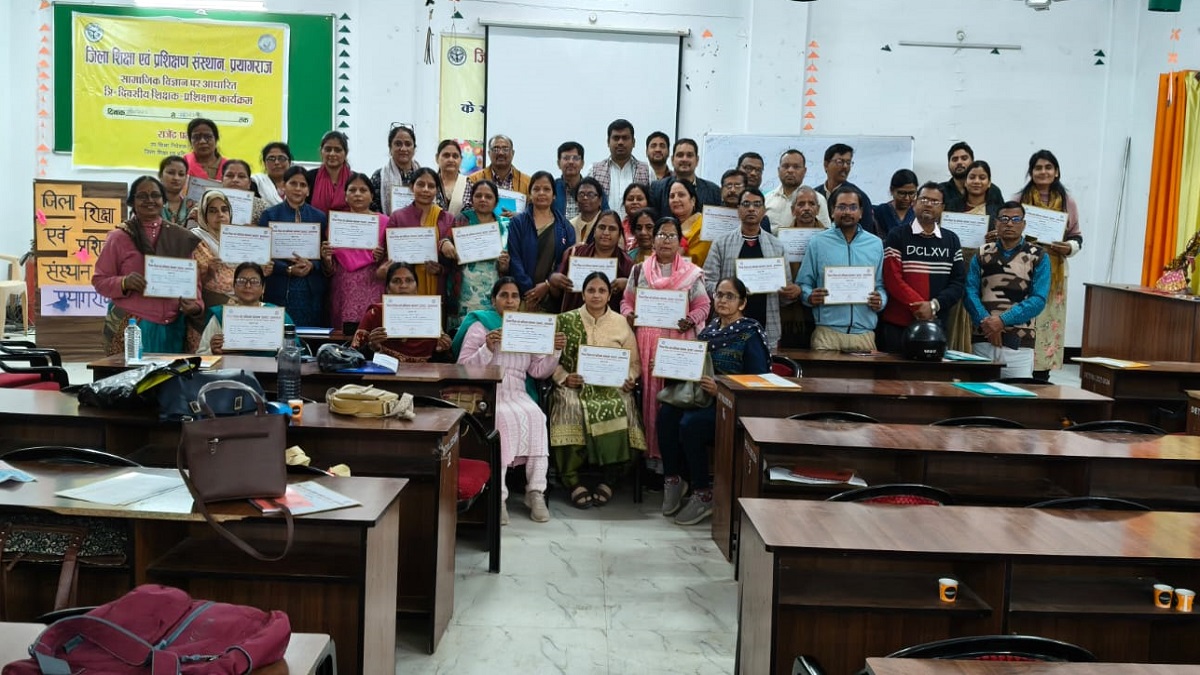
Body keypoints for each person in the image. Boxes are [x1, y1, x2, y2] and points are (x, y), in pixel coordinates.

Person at [658, 276, 769, 526]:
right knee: (666, 413)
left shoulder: (749, 333)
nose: (722, 300)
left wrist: (720, 390)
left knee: (690, 424)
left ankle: (703, 492)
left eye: (729, 296)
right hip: (702, 398)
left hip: (733, 405)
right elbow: (692, 366)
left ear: (742, 303)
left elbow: (758, 382)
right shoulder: (708, 332)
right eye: (719, 295)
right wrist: (669, 366)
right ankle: (674, 479)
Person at [454, 277, 565, 524]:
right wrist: (487, 348)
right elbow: (462, 368)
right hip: (488, 391)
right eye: (504, 295)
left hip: (518, 391)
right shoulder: (481, 327)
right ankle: (499, 496)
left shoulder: (528, 326)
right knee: (501, 420)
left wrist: (554, 350)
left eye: (515, 296)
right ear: (494, 300)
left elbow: (538, 371)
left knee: (537, 417)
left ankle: (535, 491)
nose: (510, 300)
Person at [621, 216, 711, 466]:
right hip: (646, 342)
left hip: (678, 342)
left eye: (672, 235)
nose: (666, 240)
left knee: (674, 398)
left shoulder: (691, 273)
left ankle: (675, 462)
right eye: (662, 234)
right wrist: (629, 315)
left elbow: (704, 305)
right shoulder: (639, 270)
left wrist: (691, 319)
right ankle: (650, 461)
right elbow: (626, 301)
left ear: (680, 241)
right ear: (654, 239)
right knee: (648, 399)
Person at [550, 271, 644, 509]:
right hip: (575, 385)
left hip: (613, 386)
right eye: (591, 290)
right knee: (569, 406)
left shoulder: (621, 323)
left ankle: (611, 479)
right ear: (582, 294)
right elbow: (547, 359)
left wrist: (630, 378)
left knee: (623, 405)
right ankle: (571, 480)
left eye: (602, 290)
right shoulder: (564, 320)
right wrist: (563, 377)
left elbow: (634, 363)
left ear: (609, 294)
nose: (596, 295)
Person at [93, 176, 203, 355]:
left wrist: (195, 305)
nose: (150, 200)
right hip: (132, 325)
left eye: (155, 195)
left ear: (163, 200)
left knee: (170, 382)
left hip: (173, 328)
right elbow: (100, 280)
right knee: (131, 380)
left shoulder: (180, 237)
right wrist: (124, 283)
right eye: (142, 196)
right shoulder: (119, 237)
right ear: (132, 201)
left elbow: (194, 283)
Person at [702, 188, 800, 351]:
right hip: (727, 328)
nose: (751, 209)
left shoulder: (777, 246)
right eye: (746, 204)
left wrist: (791, 292)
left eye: (757, 205)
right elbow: (706, 284)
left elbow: (784, 297)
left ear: (764, 211)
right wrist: (730, 292)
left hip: (766, 328)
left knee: (763, 373)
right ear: (738, 210)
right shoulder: (721, 243)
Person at [1015, 149, 1083, 377]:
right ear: (1031, 172)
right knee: (1022, 319)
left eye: (1048, 167)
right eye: (1038, 168)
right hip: (1022, 271)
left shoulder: (1067, 202)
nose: (1043, 172)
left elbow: (1076, 236)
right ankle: (1017, 369)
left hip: (1055, 275)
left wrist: (1068, 247)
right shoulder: (1019, 201)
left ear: (1056, 172)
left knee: (1048, 324)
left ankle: (1042, 374)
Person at [965, 202, 1050, 378]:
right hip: (984, 338)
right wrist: (986, 323)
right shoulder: (981, 253)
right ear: (996, 223)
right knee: (979, 396)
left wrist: (1002, 321)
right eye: (1004, 219)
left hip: (1019, 344)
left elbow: (1038, 300)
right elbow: (969, 292)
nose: (1009, 223)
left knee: (1016, 401)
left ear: (1024, 224)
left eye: (1016, 219)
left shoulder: (1039, 255)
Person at [879, 182, 965, 353]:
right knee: (891, 378)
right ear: (914, 203)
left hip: (935, 325)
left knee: (929, 378)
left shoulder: (952, 240)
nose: (928, 204)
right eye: (924, 199)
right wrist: (919, 307)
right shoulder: (897, 235)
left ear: (943, 208)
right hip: (898, 325)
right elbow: (892, 278)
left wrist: (933, 306)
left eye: (935, 201)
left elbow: (958, 282)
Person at [798, 185, 886, 351]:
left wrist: (880, 299)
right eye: (842, 207)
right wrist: (809, 296)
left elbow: (881, 285)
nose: (847, 212)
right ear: (832, 211)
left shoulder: (875, 244)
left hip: (864, 335)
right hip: (826, 334)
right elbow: (803, 283)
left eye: (853, 207)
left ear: (861, 212)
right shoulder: (818, 242)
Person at [945, 160, 1005, 353]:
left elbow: (1011, 244)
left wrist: (999, 237)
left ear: (989, 182)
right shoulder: (952, 208)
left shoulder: (997, 212)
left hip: (984, 275)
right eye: (972, 177)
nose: (976, 181)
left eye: (982, 177)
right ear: (965, 181)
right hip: (955, 269)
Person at [258, 166, 328, 327]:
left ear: (309, 191)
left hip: (310, 289)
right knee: (280, 331)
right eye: (293, 183)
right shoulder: (270, 215)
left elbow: (324, 254)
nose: (298, 189)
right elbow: (262, 254)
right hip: (279, 284)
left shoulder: (319, 217)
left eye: (303, 185)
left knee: (309, 334)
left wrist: (312, 265)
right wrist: (287, 269)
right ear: (283, 187)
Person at [322, 172, 387, 332]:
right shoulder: (337, 223)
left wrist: (382, 257)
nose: (357, 194)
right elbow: (330, 268)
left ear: (372, 196)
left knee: (372, 330)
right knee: (342, 333)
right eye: (352, 190)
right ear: (345, 196)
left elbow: (392, 260)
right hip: (343, 287)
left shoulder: (385, 222)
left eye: (363, 190)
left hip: (373, 283)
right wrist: (327, 259)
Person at [351, 262, 451, 362]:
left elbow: (442, 362)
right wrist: (372, 347)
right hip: (383, 375)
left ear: (417, 288)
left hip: (422, 375)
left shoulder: (429, 315)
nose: (403, 285)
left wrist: (442, 349)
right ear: (388, 288)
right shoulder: (375, 314)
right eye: (396, 281)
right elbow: (352, 356)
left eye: (409, 280)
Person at [506, 171, 576, 312]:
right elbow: (514, 258)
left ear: (554, 195)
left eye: (547, 189)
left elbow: (566, 263)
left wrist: (547, 285)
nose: (541, 193)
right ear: (530, 195)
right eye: (536, 189)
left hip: (551, 299)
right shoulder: (518, 223)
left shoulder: (566, 227)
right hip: (520, 298)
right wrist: (530, 292)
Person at [447, 179, 511, 330]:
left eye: (488, 197)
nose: (483, 199)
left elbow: (509, 265)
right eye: (478, 196)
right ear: (472, 199)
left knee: (490, 336)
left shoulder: (505, 225)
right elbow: (446, 242)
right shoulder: (462, 219)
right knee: (463, 335)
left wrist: (505, 266)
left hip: (493, 291)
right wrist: (445, 244)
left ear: (496, 202)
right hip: (464, 292)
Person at [383, 167, 455, 298]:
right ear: (411, 187)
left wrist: (440, 270)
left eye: (431, 186)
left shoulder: (447, 218)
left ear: (437, 190)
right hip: (403, 287)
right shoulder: (397, 217)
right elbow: (387, 254)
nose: (425, 190)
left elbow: (454, 260)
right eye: (421, 184)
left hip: (437, 286)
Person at [198, 262, 298, 357]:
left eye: (254, 282)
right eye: (241, 281)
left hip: (270, 373)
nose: (248, 286)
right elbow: (201, 354)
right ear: (234, 286)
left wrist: (282, 350)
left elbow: (295, 353)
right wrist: (212, 350)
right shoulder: (221, 315)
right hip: (230, 371)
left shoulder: (278, 316)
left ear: (263, 288)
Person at [549, 210, 632, 313]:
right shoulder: (575, 253)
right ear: (594, 231)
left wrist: (628, 285)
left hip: (609, 323)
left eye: (612, 229)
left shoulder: (626, 263)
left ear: (619, 234)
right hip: (575, 319)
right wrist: (553, 281)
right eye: (601, 227)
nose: (606, 233)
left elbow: (632, 303)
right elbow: (557, 295)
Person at [774, 187, 826, 348]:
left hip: (821, 308)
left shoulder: (830, 238)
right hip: (789, 311)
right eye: (801, 204)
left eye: (811, 204)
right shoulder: (778, 238)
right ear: (793, 210)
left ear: (818, 209)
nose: (806, 208)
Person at [190, 189, 241, 316]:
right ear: (203, 215)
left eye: (224, 209)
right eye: (212, 211)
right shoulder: (195, 239)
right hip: (210, 305)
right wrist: (209, 272)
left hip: (243, 303)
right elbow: (190, 280)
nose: (220, 214)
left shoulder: (241, 239)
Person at [589, 119, 651, 218]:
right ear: (608, 142)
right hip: (604, 230)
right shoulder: (594, 170)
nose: (620, 142)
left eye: (625, 138)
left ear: (633, 142)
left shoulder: (647, 170)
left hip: (637, 231)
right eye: (616, 138)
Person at [814, 143, 876, 235]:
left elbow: (867, 233)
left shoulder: (859, 196)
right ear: (826, 165)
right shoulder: (815, 195)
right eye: (840, 162)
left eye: (848, 162)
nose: (845, 166)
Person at [649, 138, 721, 215]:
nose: (684, 159)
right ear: (672, 160)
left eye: (689, 155)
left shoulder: (713, 191)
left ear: (697, 160)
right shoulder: (657, 188)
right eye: (680, 155)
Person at [765, 150, 830, 229]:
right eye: (786, 166)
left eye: (796, 167)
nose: (790, 170)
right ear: (778, 170)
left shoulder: (818, 199)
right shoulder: (766, 200)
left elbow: (825, 232)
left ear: (804, 171)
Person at [463, 134, 530, 212]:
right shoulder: (474, 179)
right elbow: (467, 209)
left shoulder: (528, 182)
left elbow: (533, 212)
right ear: (489, 153)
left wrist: (518, 217)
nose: (500, 153)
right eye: (496, 149)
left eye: (505, 149)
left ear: (513, 153)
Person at [941, 142, 1005, 213]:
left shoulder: (993, 191)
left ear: (972, 162)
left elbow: (1001, 216)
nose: (959, 162)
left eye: (964, 158)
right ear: (948, 164)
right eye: (955, 159)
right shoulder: (940, 191)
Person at [370, 125, 421, 215]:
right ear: (390, 148)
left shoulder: (423, 176)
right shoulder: (379, 177)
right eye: (398, 144)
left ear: (414, 149)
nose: (403, 149)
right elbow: (373, 209)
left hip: (420, 227)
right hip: (387, 226)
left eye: (408, 144)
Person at [305, 131, 352, 214]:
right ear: (321, 151)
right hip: (317, 226)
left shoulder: (354, 179)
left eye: (337, 150)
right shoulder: (309, 177)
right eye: (328, 149)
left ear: (346, 153)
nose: (332, 153)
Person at [664, 178, 708, 267]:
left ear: (693, 201)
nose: (675, 199)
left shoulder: (704, 226)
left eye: (681, 195)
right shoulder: (667, 227)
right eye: (672, 196)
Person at [218, 159, 269, 226]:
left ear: (249, 183)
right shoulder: (208, 201)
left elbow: (268, 232)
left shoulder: (261, 206)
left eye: (241, 176)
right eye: (230, 175)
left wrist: (257, 229)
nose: (235, 180)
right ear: (222, 180)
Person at [872, 169, 918, 238]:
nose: (907, 198)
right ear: (892, 190)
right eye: (902, 193)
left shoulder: (919, 213)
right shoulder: (879, 211)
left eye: (911, 193)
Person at [435, 139, 470, 216]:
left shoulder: (469, 184)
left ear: (461, 160)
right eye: (446, 155)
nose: (451, 160)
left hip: (461, 227)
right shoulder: (430, 183)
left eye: (455, 156)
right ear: (437, 158)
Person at [553, 141, 586, 220]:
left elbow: (605, 214)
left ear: (582, 164)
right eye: (566, 158)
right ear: (558, 163)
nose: (571, 162)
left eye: (575, 158)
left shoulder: (593, 188)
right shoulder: (551, 188)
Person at [252, 142, 292, 206]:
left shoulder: (298, 184)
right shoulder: (256, 182)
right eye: (271, 159)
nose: (276, 162)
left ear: (289, 162)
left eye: (281, 158)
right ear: (264, 163)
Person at [569, 177, 605, 244]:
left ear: (600, 200)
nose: (585, 198)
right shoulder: (569, 226)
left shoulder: (607, 224)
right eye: (581, 194)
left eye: (590, 194)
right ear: (576, 200)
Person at [620, 183, 651, 251]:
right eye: (630, 199)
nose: (634, 202)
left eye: (639, 199)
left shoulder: (655, 226)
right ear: (624, 204)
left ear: (648, 203)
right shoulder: (619, 227)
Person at [158, 155, 189, 224]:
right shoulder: (151, 204)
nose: (176, 178)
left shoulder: (190, 206)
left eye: (181, 174)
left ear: (186, 178)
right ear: (160, 175)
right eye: (171, 173)